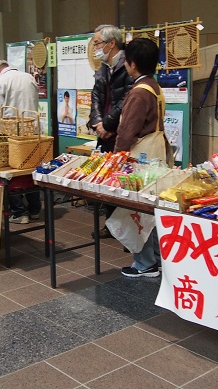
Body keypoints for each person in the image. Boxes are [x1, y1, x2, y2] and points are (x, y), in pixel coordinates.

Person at [116, 38, 172, 278]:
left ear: (133, 64)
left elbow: (127, 131)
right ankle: (158, 258)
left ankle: (144, 262)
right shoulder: (154, 87)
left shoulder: (139, 93)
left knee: (137, 210)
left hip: (141, 157)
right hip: (157, 152)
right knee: (152, 208)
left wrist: (116, 157)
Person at [89, 24, 135, 239]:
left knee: (123, 181)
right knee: (106, 180)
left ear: (111, 43)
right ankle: (110, 224)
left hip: (121, 133)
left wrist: (108, 125)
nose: (95, 47)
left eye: (97, 43)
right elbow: (95, 98)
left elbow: (127, 100)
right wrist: (98, 123)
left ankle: (127, 228)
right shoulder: (102, 68)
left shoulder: (128, 65)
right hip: (104, 132)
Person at [0, 59, 41, 224]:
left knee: (8, 173)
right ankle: (35, 209)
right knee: (30, 169)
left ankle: (19, 212)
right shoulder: (28, 77)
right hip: (32, 131)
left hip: (10, 134)